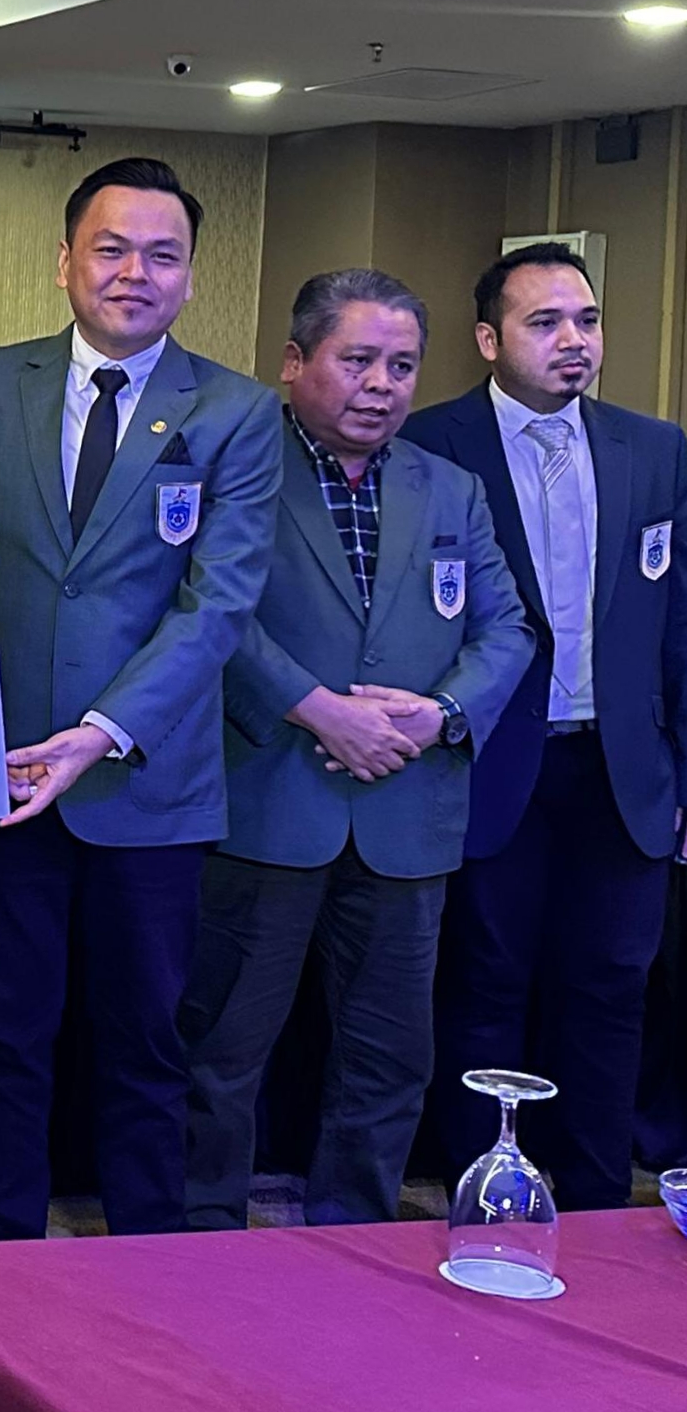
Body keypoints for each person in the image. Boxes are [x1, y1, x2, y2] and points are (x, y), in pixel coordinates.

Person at [0, 155, 282, 1240]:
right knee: (5, 1032)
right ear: (64, 260)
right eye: (111, 249)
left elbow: (219, 604)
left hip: (149, 782)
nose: (134, 273)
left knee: (147, 1043)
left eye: (163, 255)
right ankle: (3, 1258)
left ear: (191, 276)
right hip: (4, 770)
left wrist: (101, 733)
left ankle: (147, 1262)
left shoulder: (237, 411)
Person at [177, 268, 531, 1230]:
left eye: (402, 366)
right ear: (295, 362)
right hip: (267, 799)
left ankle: (358, 1239)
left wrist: (440, 713)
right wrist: (317, 709)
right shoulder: (237, 467)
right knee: (224, 1049)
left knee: (388, 1056)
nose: (381, 385)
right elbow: (211, 616)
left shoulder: (450, 487)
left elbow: (507, 629)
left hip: (406, 813)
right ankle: (199, 1238)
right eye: (359, 359)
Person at [400, 242, 687, 1208]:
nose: (575, 340)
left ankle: (600, 1200)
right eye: (546, 322)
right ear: (489, 340)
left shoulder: (656, 449)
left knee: (612, 988)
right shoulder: (432, 443)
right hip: (489, 761)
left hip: (623, 766)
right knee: (486, 984)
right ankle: (484, 1197)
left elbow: (680, 622)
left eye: (588, 320)